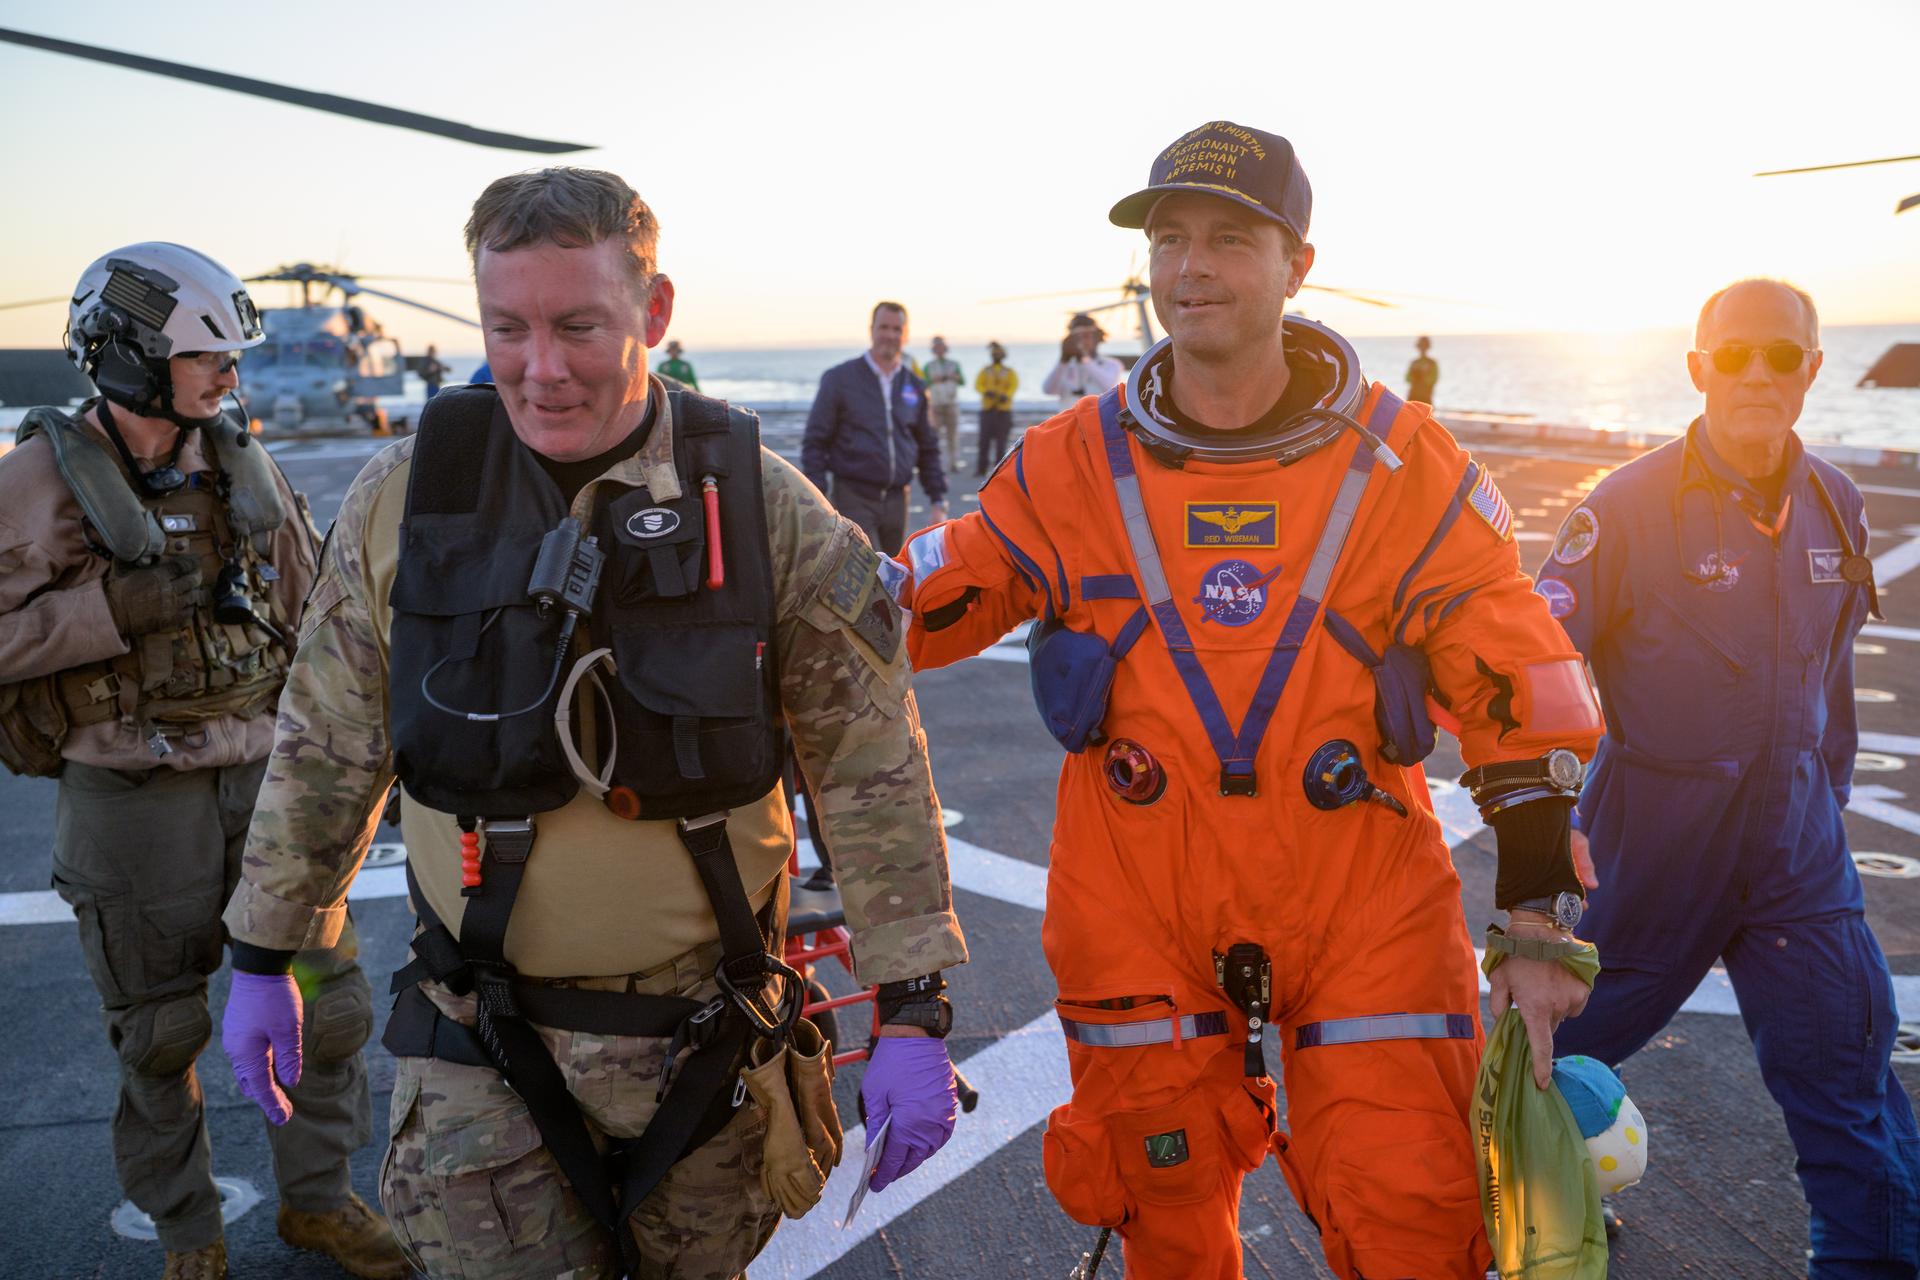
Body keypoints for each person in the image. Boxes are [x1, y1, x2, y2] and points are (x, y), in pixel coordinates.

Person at [218, 167, 968, 1279]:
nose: (540, 366)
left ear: (654, 313)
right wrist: (262, 949)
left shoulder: (761, 507)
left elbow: (871, 761)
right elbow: (327, 738)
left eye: (579, 325)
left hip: (709, 1043)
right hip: (480, 1034)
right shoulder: (403, 496)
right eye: (506, 327)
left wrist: (914, 1004)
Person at [889, 121, 1607, 1280]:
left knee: (1414, 1207)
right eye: (1171, 240)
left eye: (1229, 238)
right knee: (1163, 1203)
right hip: (1138, 892)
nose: (1191, 267)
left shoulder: (1403, 464)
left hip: (1361, 894)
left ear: (1297, 265)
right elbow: (920, 596)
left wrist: (1535, 927)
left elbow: (1515, 679)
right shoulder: (1070, 463)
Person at [0, 243, 404, 1280]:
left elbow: (315, 613)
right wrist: (100, 614)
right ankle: (189, 1228)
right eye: (206, 358)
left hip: (265, 781)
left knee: (328, 999)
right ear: (132, 358)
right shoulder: (36, 484)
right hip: (130, 791)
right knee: (158, 1030)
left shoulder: (241, 463)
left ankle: (318, 1199)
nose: (232, 377)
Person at [1538, 278, 1920, 1273]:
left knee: (1849, 1068)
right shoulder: (1623, 509)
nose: (1759, 374)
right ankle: (1523, 1214)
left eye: (1782, 356)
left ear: (1813, 370)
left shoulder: (1836, 499)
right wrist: (1541, 848)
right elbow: (1530, 670)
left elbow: (1829, 668)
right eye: (1735, 355)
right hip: (1653, 843)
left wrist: (1822, 817)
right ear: (1699, 367)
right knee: (1540, 1058)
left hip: (1798, 846)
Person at [801, 302, 948, 555]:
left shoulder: (913, 385)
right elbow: (815, 440)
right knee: (869, 572)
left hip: (897, 500)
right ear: (872, 330)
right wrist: (818, 497)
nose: (890, 335)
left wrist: (937, 499)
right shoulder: (839, 379)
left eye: (896, 329)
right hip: (854, 496)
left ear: (906, 333)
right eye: (884, 328)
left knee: (894, 573)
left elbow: (927, 445)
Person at [1041, 312, 1125, 407]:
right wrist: (1063, 359)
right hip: (1070, 421)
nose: (1081, 341)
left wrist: (1084, 358)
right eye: (1076, 337)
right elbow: (1048, 390)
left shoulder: (1112, 364)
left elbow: (1109, 386)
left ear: (1096, 338)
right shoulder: (1065, 367)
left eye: (1086, 336)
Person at [974, 341, 1019, 476]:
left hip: (1003, 411)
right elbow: (978, 385)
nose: (996, 356)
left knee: (1001, 442)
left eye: (998, 354)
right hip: (987, 410)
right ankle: (981, 469)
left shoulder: (1009, 372)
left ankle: (999, 470)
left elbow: (1013, 386)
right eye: (994, 354)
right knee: (984, 441)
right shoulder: (985, 371)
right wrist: (986, 391)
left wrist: (1006, 395)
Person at [923, 336, 965, 469]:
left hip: (951, 403)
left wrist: (954, 377)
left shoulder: (954, 364)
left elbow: (963, 381)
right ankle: (935, 463)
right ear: (933, 349)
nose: (939, 349)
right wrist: (932, 380)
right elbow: (922, 384)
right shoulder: (928, 366)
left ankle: (953, 463)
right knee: (935, 436)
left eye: (941, 347)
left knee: (952, 436)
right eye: (936, 347)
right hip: (935, 404)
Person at [1407, 334, 1439, 405]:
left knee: (1426, 415)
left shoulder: (1432, 363)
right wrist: (1416, 372)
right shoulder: (1414, 363)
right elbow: (1407, 379)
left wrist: (1423, 373)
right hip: (1413, 397)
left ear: (1427, 347)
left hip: (1426, 397)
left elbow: (1433, 380)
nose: (1422, 348)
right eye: (1421, 346)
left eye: (1424, 346)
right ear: (1418, 347)